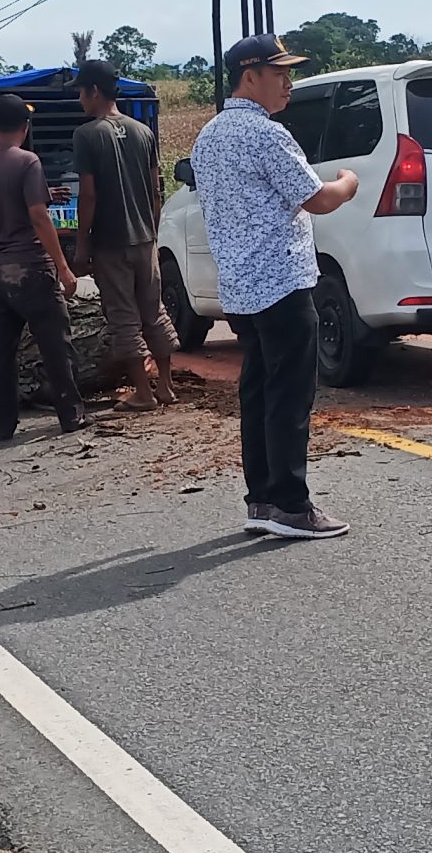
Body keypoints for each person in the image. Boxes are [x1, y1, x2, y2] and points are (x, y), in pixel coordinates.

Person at [195, 34, 362, 541]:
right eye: (279, 73)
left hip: (242, 287)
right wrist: (349, 180)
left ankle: (262, 499)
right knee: (289, 396)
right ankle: (291, 503)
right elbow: (319, 199)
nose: (288, 83)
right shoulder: (266, 135)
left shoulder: (210, 135)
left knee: (259, 391)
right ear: (251, 77)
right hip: (282, 280)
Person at [0, 95, 86, 441]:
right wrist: (63, 267)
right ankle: (71, 414)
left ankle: (1, 425)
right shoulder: (27, 161)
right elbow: (37, 215)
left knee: (1, 352)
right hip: (30, 266)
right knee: (55, 343)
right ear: (24, 127)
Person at [70, 59, 182, 410]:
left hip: (110, 241)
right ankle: (165, 386)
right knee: (154, 311)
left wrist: (83, 242)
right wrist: (152, 228)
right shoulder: (142, 132)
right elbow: (155, 189)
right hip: (144, 239)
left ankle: (143, 394)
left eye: (81, 92)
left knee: (123, 317)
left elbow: (88, 194)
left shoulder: (86, 135)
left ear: (94, 91)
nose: (80, 100)